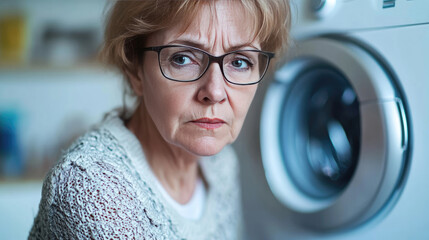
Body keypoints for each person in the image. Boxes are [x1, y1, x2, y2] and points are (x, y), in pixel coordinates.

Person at [29, 0, 291, 239]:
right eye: (183, 58)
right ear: (135, 69)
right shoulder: (92, 188)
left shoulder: (222, 166)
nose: (214, 92)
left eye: (240, 62)